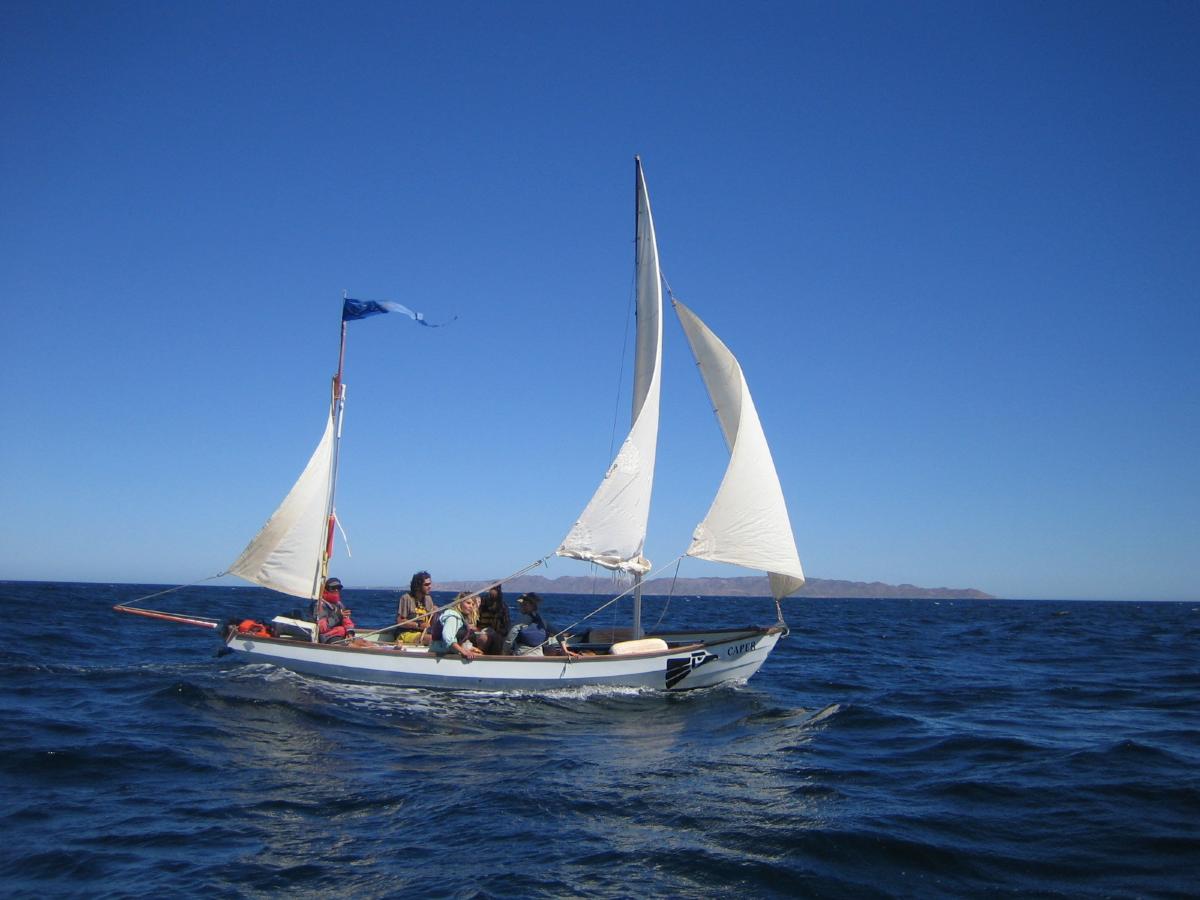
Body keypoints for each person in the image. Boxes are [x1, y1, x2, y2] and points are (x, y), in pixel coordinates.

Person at [503, 592, 577, 657]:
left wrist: (505, 652)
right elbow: (559, 634)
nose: (521, 606)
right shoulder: (543, 622)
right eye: (521, 604)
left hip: (521, 654)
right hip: (538, 656)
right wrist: (565, 650)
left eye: (523, 604)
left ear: (530, 606)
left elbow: (511, 637)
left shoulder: (521, 621)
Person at [430, 593, 483, 660]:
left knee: (480, 653)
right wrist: (463, 651)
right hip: (441, 652)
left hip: (449, 650)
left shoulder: (461, 617)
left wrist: (469, 648)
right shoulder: (453, 616)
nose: (471, 606)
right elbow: (447, 637)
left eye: (473, 604)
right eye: (468, 603)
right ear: (460, 602)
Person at [395, 571, 439, 645]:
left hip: (423, 634)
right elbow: (400, 621)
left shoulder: (428, 599)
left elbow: (431, 623)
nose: (430, 586)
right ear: (418, 586)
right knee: (432, 639)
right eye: (426, 584)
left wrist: (435, 614)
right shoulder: (406, 598)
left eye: (430, 584)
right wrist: (418, 625)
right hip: (406, 634)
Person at [313, 576, 357, 644]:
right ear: (326, 589)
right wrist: (338, 615)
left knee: (362, 642)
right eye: (333, 588)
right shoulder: (320, 605)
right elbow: (322, 628)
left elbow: (347, 620)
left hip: (341, 635)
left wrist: (350, 632)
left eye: (338, 588)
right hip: (328, 638)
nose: (336, 590)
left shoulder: (339, 605)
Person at [474, 583, 510, 655]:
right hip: (482, 630)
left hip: (497, 632)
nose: (493, 592)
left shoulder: (502, 606)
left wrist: (499, 633)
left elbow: (506, 625)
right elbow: (477, 618)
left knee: (498, 640)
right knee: (482, 638)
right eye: (492, 589)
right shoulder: (483, 602)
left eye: (495, 589)